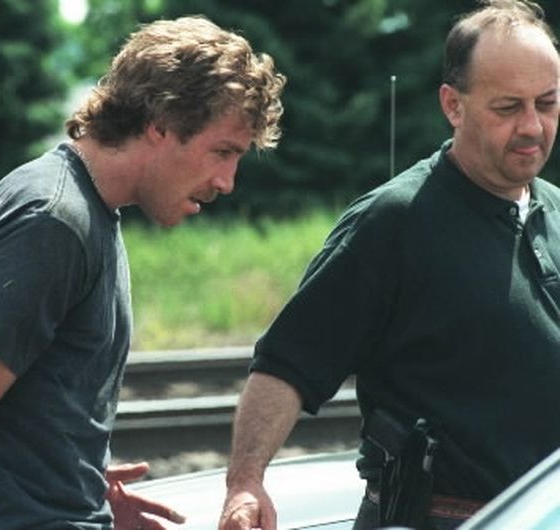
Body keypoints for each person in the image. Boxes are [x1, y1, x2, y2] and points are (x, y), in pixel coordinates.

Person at [0, 15, 286, 530]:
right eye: (222, 152)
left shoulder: (86, 212)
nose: (227, 181)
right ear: (159, 125)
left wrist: (74, 479)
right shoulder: (52, 222)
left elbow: (20, 405)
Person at [218, 1, 560, 529]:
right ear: (453, 105)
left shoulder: (557, 213)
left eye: (548, 102)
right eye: (508, 107)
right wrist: (245, 482)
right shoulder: (395, 221)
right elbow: (288, 365)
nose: (533, 126)